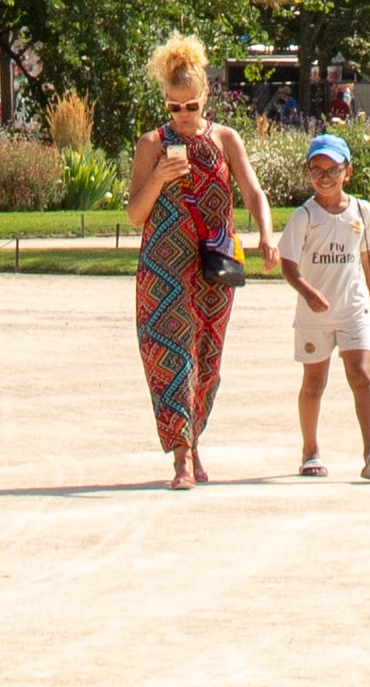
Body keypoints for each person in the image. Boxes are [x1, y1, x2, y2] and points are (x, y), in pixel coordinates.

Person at [120, 33, 267, 489]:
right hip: (163, 272)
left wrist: (266, 235)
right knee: (171, 357)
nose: (183, 116)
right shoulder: (151, 145)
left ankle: (195, 440)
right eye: (173, 107)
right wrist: (160, 177)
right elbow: (133, 215)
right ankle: (182, 458)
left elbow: (251, 190)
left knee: (206, 360)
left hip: (212, 270)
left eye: (191, 106)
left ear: (205, 99)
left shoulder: (225, 138)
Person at [276, 133, 370, 481]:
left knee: (363, 375)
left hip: (353, 307)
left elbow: (366, 258)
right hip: (315, 314)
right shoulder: (305, 216)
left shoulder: (361, 210)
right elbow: (288, 264)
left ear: (348, 172)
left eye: (332, 169)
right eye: (317, 170)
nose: (325, 177)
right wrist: (307, 291)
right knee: (314, 380)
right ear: (308, 172)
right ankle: (310, 451)